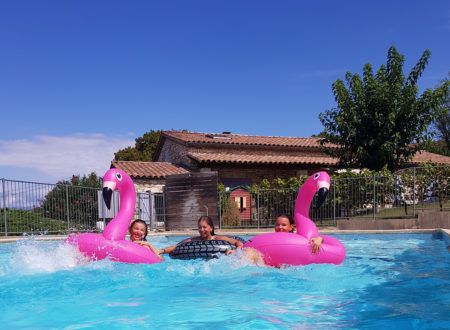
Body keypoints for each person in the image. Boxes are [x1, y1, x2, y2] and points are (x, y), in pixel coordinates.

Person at [159, 216, 244, 255]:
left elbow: (238, 242)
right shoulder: (194, 241)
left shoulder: (218, 238)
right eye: (200, 227)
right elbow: (176, 246)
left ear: (211, 228)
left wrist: (235, 251)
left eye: (204, 227)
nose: (202, 230)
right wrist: (161, 251)